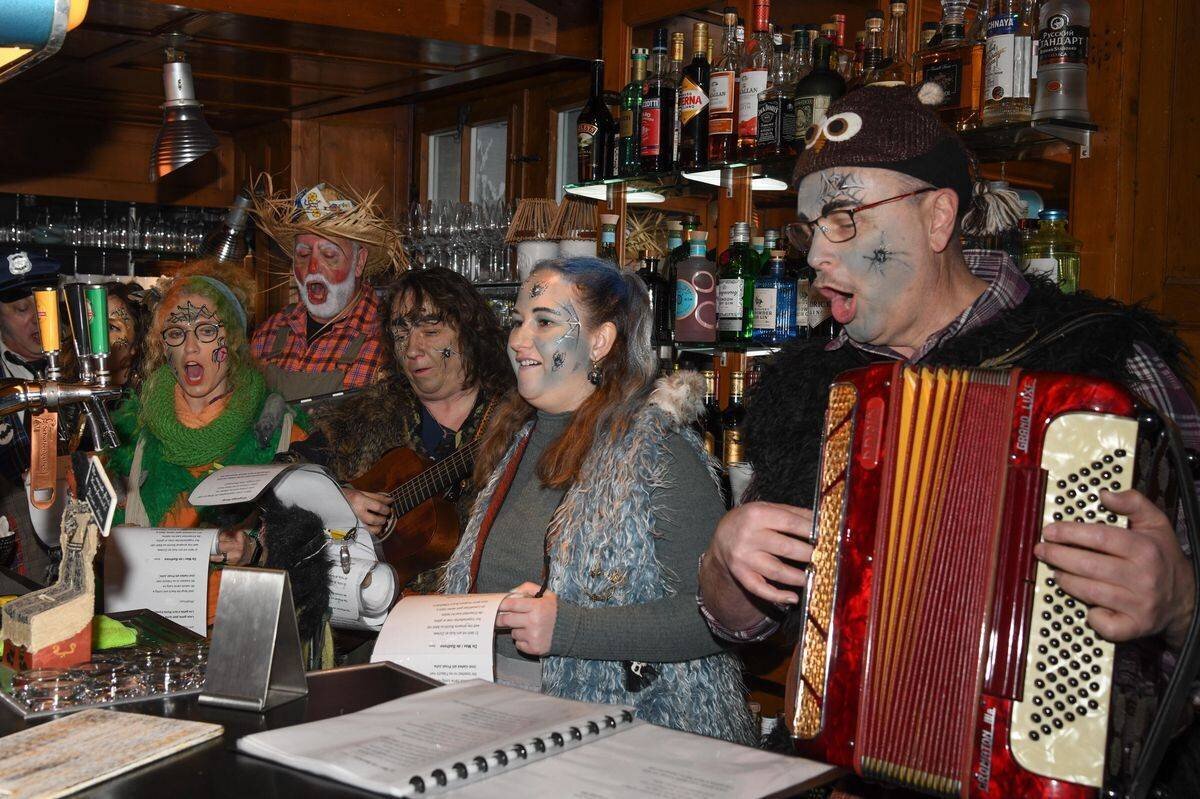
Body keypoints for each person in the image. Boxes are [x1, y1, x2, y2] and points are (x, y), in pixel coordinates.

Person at [697, 85, 1198, 781]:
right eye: (809, 230)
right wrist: (723, 561)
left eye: (842, 220)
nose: (815, 257)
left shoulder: (1102, 359)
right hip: (848, 770)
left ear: (937, 218)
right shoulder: (805, 385)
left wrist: (1181, 602)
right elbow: (745, 626)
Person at [441, 257, 755, 744]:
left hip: (626, 739)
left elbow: (712, 617)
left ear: (600, 341)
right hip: (499, 721)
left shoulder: (657, 450)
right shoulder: (514, 441)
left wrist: (571, 629)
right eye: (518, 321)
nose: (519, 339)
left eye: (544, 322)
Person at [107, 262, 331, 665]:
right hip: (145, 637)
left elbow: (320, 544)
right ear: (162, 345)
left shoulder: (280, 433)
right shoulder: (130, 432)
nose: (191, 349)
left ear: (234, 340)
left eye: (207, 331)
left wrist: (256, 548)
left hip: (243, 639)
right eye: (176, 333)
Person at [297, 267, 513, 544]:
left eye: (431, 332)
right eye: (401, 335)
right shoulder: (368, 415)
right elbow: (282, 474)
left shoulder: (512, 417)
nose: (411, 349)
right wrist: (334, 500)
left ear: (470, 335)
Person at [249, 176, 405, 401]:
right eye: (303, 254)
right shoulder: (269, 333)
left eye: (329, 255)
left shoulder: (388, 339)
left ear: (359, 262)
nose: (313, 267)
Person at [0, 249, 59, 581]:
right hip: (16, 560)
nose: (37, 318)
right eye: (21, 309)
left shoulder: (83, 369)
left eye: (42, 304)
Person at [104, 281, 147, 392]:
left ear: (137, 342)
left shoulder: (152, 395)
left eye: (111, 327)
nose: (97, 335)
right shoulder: (66, 389)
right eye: (91, 325)